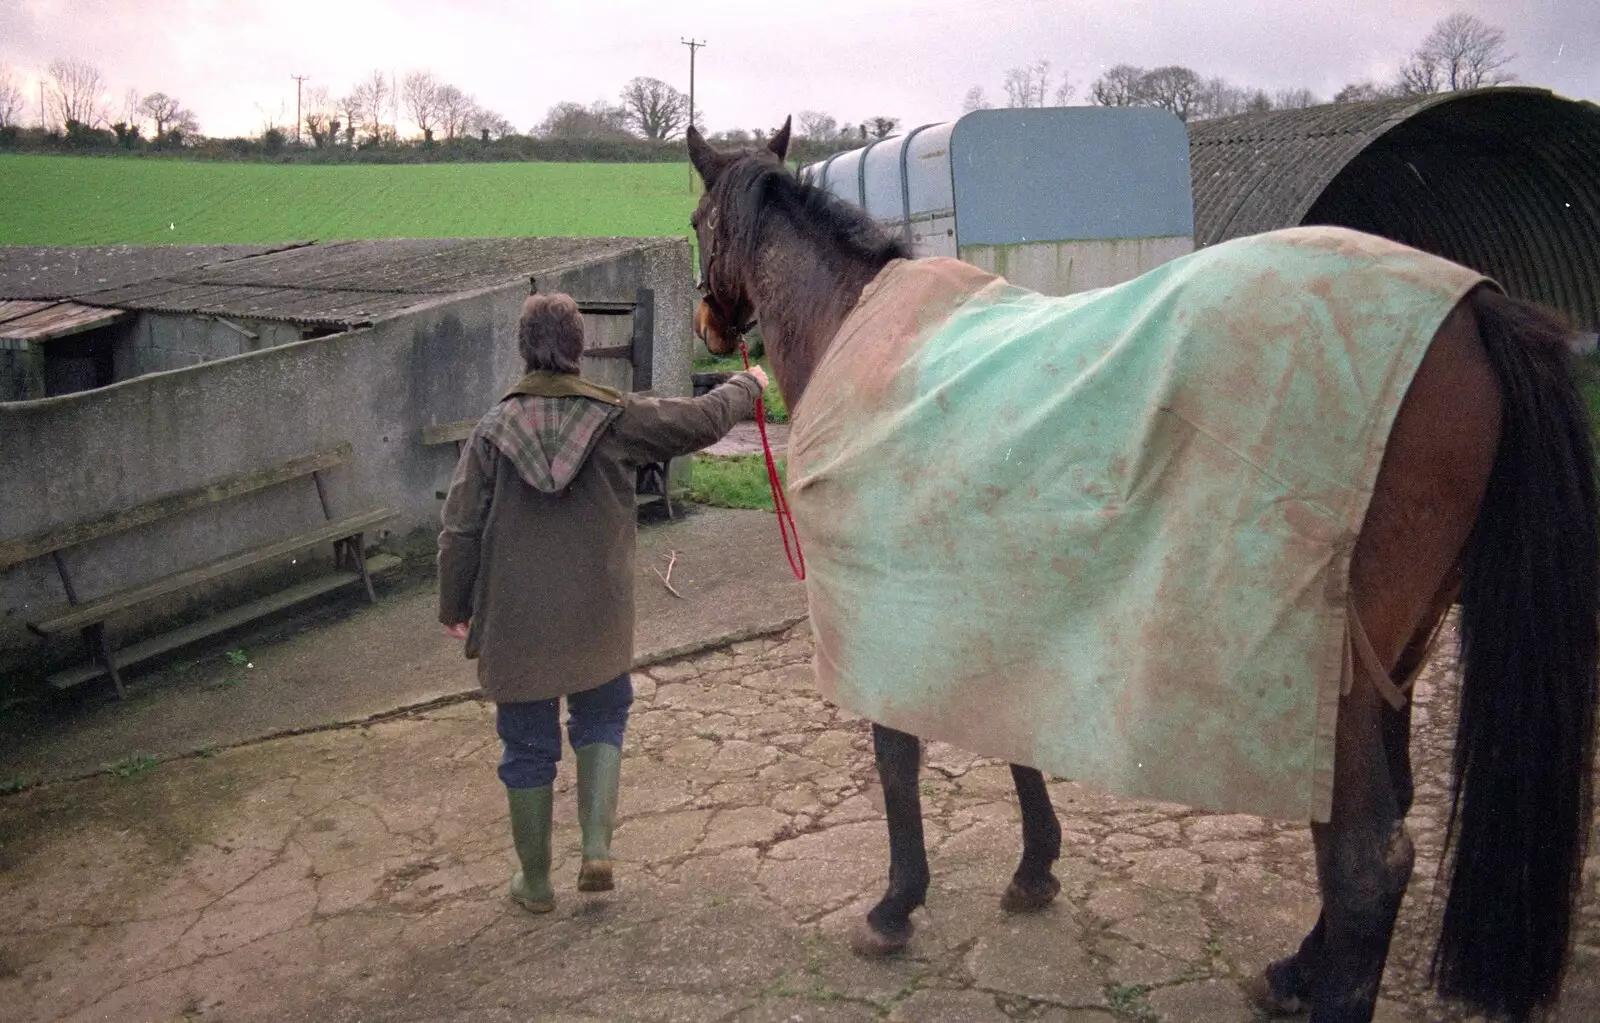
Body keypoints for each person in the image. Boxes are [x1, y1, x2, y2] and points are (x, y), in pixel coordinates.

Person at [438, 291, 767, 913]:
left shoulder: (490, 432)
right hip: (598, 617)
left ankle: (534, 885)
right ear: (579, 348)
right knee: (602, 716)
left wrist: (454, 603)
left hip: (517, 622)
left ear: (523, 349)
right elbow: (697, 421)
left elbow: (459, 529)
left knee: (527, 745)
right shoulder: (617, 419)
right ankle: (596, 848)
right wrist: (748, 385)